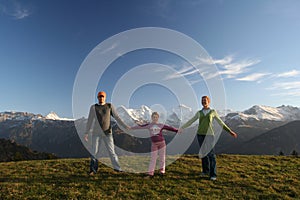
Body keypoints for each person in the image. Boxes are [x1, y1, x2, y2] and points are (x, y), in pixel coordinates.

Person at [179, 96, 237, 181]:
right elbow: (191, 121)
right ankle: (205, 171)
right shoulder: (199, 112)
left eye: (205, 100)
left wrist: (229, 131)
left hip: (209, 135)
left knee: (211, 155)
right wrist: (182, 128)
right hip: (200, 135)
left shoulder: (212, 112)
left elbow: (220, 122)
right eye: (202, 101)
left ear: (208, 101)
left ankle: (213, 174)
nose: (203, 102)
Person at [84, 91, 129, 175]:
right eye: (99, 97)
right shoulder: (93, 107)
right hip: (96, 133)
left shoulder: (109, 106)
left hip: (107, 133)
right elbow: (90, 120)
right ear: (97, 98)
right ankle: (92, 170)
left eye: (102, 96)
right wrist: (86, 132)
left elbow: (117, 117)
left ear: (105, 97)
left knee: (112, 152)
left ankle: (117, 169)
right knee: (94, 152)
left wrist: (124, 126)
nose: (101, 98)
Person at [130, 112, 178, 178]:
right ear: (151, 118)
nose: (154, 118)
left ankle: (162, 171)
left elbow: (169, 128)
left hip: (162, 143)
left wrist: (177, 130)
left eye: (156, 117)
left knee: (162, 158)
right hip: (154, 144)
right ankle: (150, 173)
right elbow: (140, 126)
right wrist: (131, 128)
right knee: (153, 158)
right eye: (153, 117)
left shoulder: (161, 125)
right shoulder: (149, 125)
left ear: (158, 118)